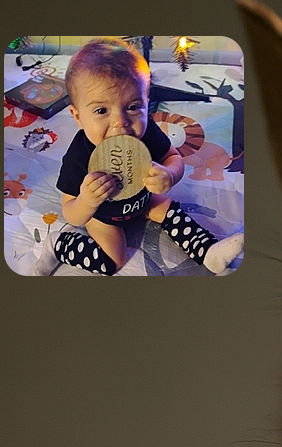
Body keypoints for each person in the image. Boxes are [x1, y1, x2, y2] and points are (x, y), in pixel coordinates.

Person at [35, 37, 243, 276]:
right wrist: (87, 201)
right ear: (77, 116)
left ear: (147, 102)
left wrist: (169, 175)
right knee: (113, 261)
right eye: (101, 110)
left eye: (133, 107)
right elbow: (71, 213)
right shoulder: (80, 155)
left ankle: (208, 252)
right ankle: (59, 245)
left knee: (169, 209)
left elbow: (173, 157)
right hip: (104, 217)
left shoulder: (147, 132)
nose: (120, 122)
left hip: (143, 202)